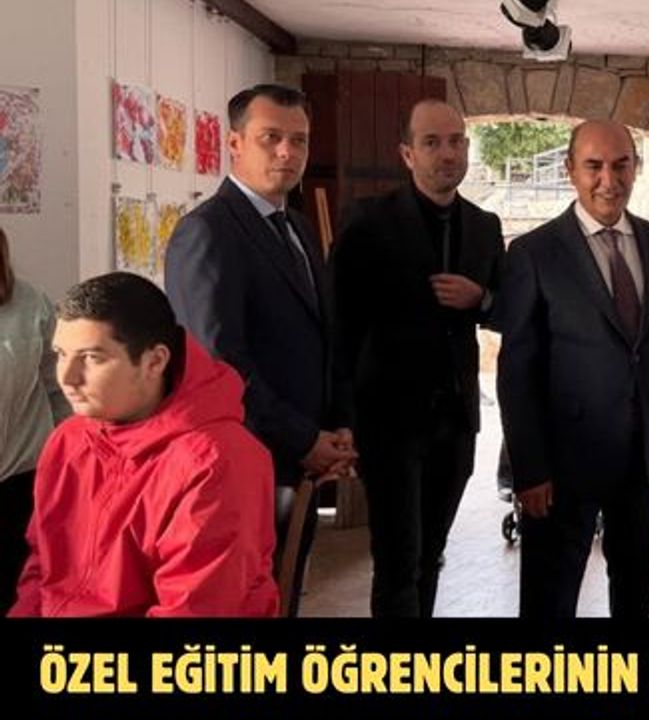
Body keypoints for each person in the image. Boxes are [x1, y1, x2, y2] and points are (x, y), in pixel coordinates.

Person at [165, 83, 355, 616]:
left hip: (300, 457)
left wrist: (336, 426)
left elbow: (320, 337)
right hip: (246, 461)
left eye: (300, 140)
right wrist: (303, 439)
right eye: (271, 138)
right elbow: (218, 365)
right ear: (234, 144)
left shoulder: (296, 226)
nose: (287, 152)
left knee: (284, 593)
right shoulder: (207, 231)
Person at [497, 119, 649, 619]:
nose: (609, 180)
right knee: (549, 602)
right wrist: (529, 469)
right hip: (562, 469)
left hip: (645, 461)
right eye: (594, 166)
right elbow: (517, 373)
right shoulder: (533, 253)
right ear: (570, 170)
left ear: (636, 167)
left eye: (621, 165)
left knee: (635, 597)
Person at [8, 272, 277, 617]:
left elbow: (194, 610)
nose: (68, 378)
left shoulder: (217, 459)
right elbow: (42, 569)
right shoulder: (68, 439)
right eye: (60, 354)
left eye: (91, 357)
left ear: (155, 361)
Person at [331, 99, 504, 617]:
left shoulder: (485, 225)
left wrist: (481, 299)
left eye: (456, 142)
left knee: (431, 556)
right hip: (388, 424)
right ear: (407, 154)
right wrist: (340, 419)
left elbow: (507, 307)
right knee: (398, 563)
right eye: (432, 143)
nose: (447, 153)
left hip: (457, 424)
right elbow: (339, 327)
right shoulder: (367, 222)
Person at [0, 227, 70, 612]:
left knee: (21, 594)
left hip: (22, 483)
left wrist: (64, 461)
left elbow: (59, 388)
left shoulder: (30, 303)